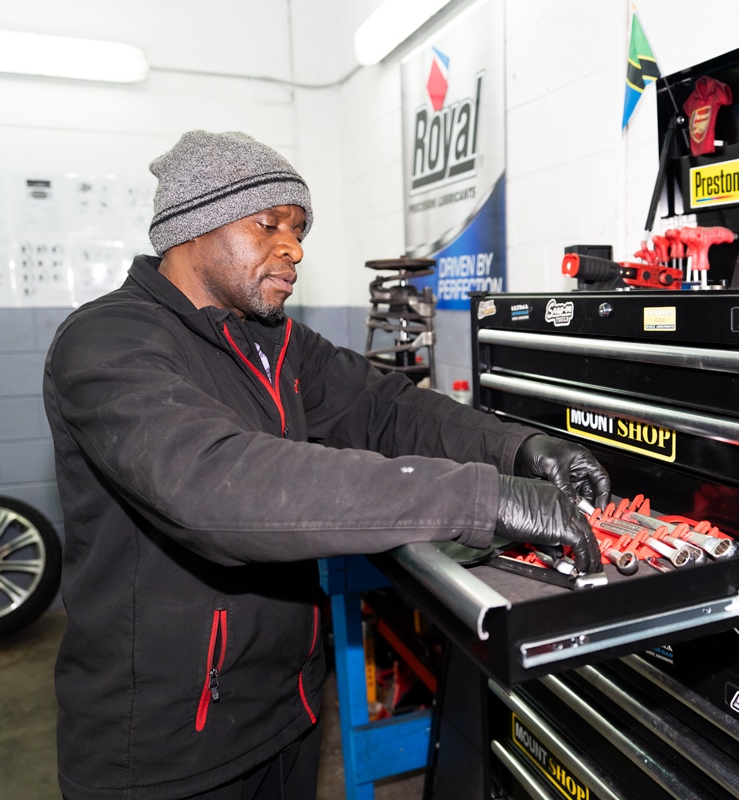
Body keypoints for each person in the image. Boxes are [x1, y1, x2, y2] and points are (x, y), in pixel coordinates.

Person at [42, 130, 609, 800]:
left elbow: (390, 408)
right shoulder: (107, 344)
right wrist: (486, 499)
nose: (294, 248)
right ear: (192, 229)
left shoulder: (274, 343)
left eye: (300, 229)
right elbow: (219, 487)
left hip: (287, 714)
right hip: (164, 750)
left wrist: (521, 448)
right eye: (269, 225)